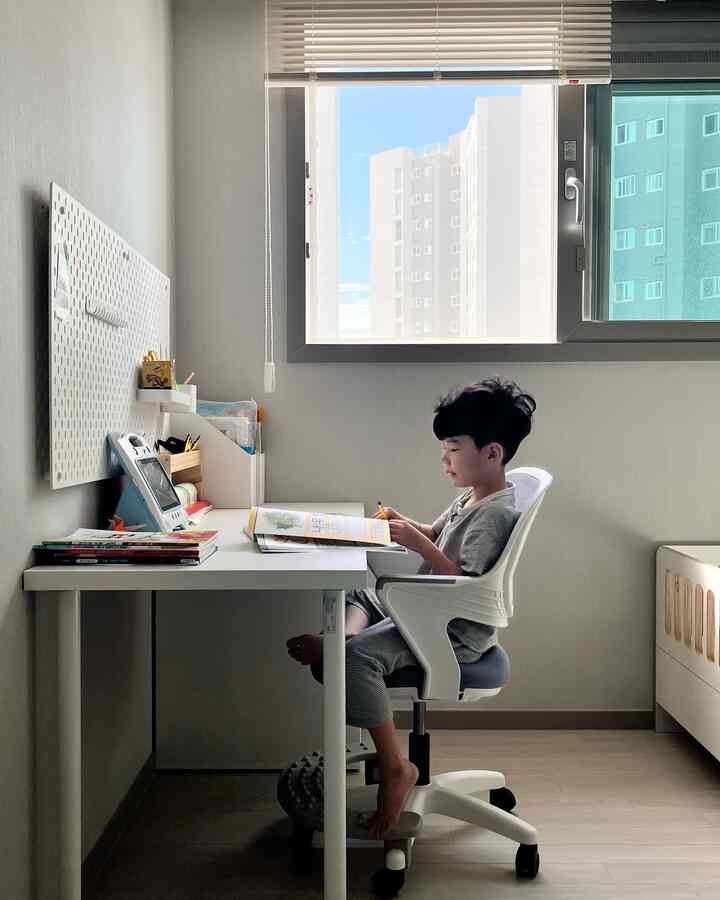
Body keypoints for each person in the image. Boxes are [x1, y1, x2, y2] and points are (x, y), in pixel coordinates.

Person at [287, 377, 537, 839]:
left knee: (357, 658)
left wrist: (419, 543)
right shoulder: (473, 496)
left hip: (450, 627)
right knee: (358, 593)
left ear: (493, 453)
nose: (445, 459)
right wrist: (406, 525)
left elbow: (462, 579)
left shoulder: (494, 515)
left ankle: (395, 765)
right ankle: (339, 638)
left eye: (453, 449)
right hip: (427, 609)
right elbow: (437, 535)